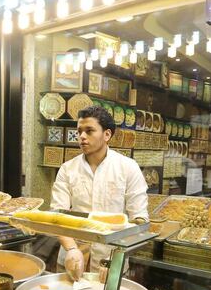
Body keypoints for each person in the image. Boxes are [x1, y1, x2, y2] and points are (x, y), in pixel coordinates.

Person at [50, 106, 148, 279]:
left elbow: (139, 220)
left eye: (89, 131)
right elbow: (57, 215)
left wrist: (116, 256)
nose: (81, 137)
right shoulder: (67, 169)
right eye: (79, 131)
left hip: (111, 260)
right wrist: (71, 249)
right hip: (73, 257)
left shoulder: (128, 168)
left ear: (107, 135)